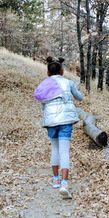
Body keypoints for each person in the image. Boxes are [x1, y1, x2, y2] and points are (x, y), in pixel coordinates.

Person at [33, 56, 83, 199]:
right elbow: (80, 98)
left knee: (54, 148)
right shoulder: (69, 83)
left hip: (51, 121)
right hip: (65, 120)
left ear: (48, 72)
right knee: (64, 151)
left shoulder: (44, 84)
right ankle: (64, 184)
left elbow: (42, 103)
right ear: (62, 71)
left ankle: (55, 179)